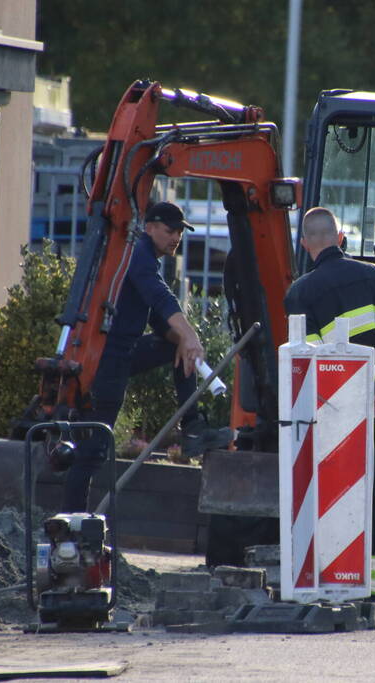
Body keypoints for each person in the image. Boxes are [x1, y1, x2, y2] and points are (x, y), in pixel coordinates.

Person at [284, 207, 375, 625]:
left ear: (306, 245)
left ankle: (337, 578)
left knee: (333, 497)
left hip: (332, 420)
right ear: (340, 238)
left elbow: (303, 368)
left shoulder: (300, 294)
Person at [62, 201, 231, 512]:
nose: (176, 237)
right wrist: (190, 335)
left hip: (122, 353)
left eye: (180, 232)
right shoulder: (138, 254)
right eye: (170, 230)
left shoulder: (146, 257)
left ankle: (192, 426)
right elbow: (159, 296)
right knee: (93, 451)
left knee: (176, 346)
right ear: (149, 227)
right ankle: (74, 524)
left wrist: (181, 339)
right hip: (107, 358)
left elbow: (155, 316)